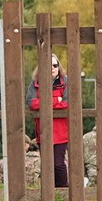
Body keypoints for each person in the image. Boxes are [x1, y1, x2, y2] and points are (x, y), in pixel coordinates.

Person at [26, 56, 69, 187]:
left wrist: (44, 103)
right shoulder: (35, 83)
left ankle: (62, 190)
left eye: (55, 65)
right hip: (43, 130)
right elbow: (32, 103)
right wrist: (57, 101)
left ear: (59, 67)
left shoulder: (65, 81)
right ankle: (49, 191)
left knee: (58, 163)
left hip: (61, 130)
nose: (52, 68)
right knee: (46, 164)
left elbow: (68, 103)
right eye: (48, 65)